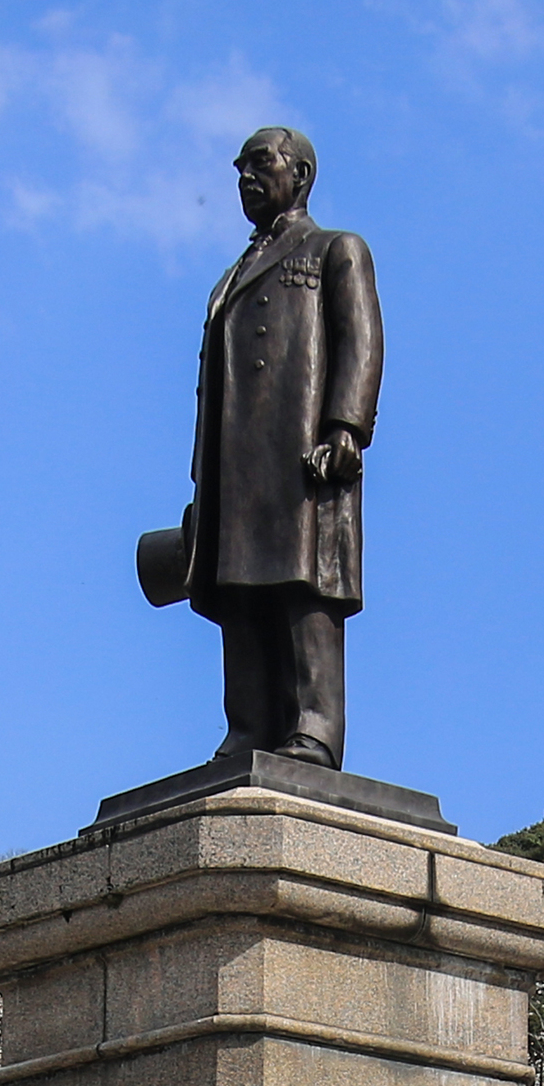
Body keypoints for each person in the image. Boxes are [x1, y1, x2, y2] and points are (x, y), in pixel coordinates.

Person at [156, 124, 381, 768]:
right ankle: (248, 725)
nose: (246, 178)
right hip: (235, 465)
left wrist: (345, 429)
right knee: (239, 593)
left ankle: (313, 727)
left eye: (260, 164)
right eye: (239, 170)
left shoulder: (337, 249)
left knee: (303, 588)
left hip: (301, 454)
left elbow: (361, 341)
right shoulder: (231, 276)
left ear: (301, 175)